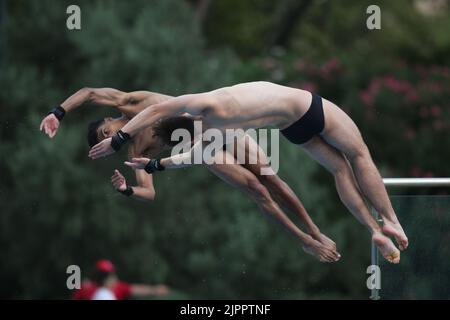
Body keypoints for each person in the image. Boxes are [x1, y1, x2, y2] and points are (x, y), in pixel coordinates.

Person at [88, 81, 408, 264]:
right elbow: (155, 110)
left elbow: (186, 157)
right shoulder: (205, 104)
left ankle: (371, 229)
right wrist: (119, 140)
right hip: (305, 106)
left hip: (289, 128)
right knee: (357, 154)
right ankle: (389, 219)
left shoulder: (211, 130)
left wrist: (154, 163)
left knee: (335, 169)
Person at [40, 87, 340, 262]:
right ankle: (304, 240)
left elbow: (89, 92)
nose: (113, 142)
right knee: (256, 189)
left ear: (109, 124)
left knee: (270, 177)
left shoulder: (131, 103)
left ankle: (314, 230)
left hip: (215, 124)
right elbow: (150, 192)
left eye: (108, 137)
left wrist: (58, 112)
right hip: (197, 146)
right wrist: (126, 190)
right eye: (109, 144)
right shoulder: (135, 153)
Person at [72, 259, 169, 300]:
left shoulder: (85, 287)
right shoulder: (89, 289)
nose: (114, 278)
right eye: (109, 275)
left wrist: (154, 290)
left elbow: (134, 289)